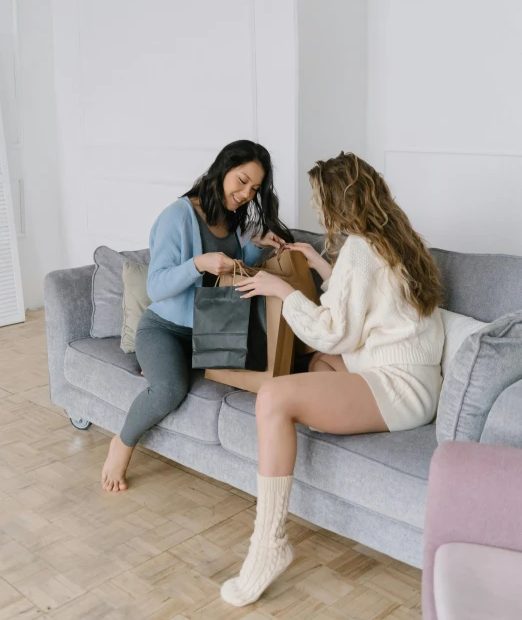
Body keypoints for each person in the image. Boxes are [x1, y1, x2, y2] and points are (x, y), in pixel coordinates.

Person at [221, 151, 444, 607]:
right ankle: (288, 443)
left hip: (398, 386)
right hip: (415, 379)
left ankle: (268, 545)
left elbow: (335, 329)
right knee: (318, 363)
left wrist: (281, 290)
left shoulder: (360, 249)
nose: (319, 211)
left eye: (320, 201)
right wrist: (323, 267)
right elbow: (366, 305)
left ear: (338, 202)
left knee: (273, 398)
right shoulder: (395, 239)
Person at [101, 140, 292, 492]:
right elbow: (156, 287)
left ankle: (168, 363)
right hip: (165, 329)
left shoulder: (233, 217)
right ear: (222, 168)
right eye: (241, 180)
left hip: (213, 329)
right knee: (169, 389)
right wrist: (196, 264)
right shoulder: (178, 216)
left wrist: (255, 246)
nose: (246, 193)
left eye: (254, 189)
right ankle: (122, 444)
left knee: (260, 370)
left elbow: (230, 269)